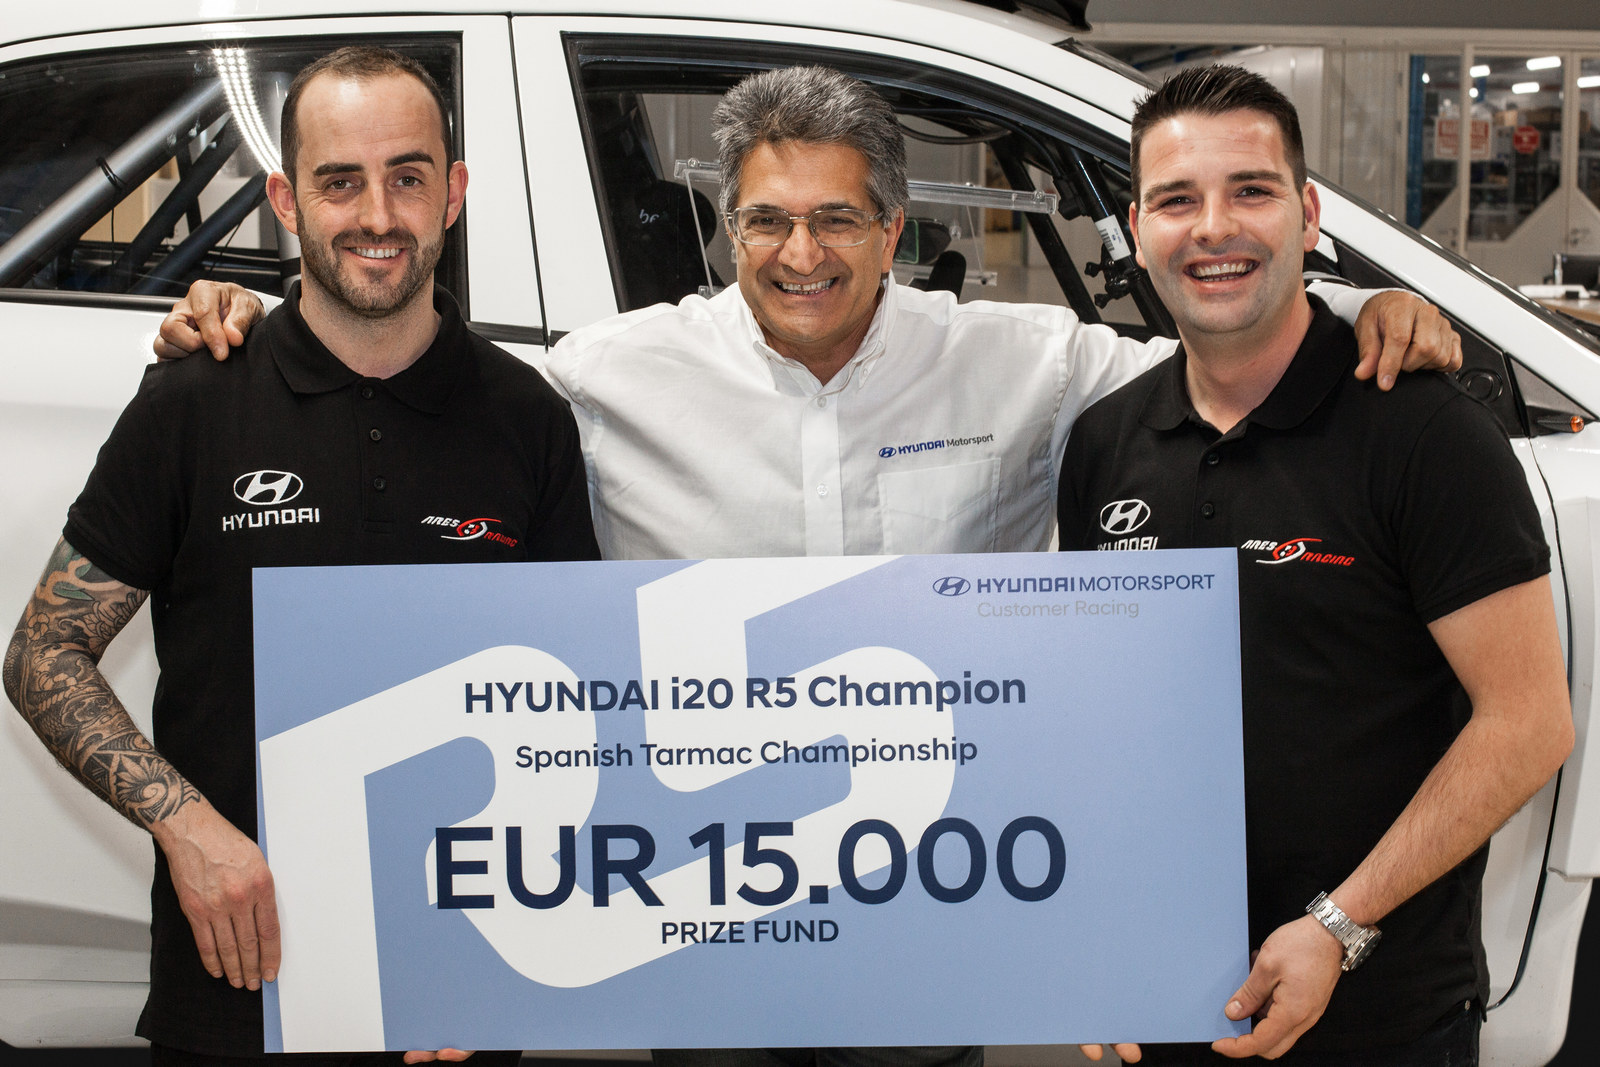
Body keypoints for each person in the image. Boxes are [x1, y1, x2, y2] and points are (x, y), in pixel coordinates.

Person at [153, 65, 1459, 1067]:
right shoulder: (610, 375)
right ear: (726, 229)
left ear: (895, 227)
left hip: (928, 907)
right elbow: (418, 372)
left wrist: (1368, 312)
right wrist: (251, 321)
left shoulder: (1028, 364)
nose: (801, 253)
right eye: (767, 220)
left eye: (838, 217)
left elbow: (1226, 346)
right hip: (698, 917)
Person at [3, 45, 598, 1067]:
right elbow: (43, 650)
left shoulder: (526, 418)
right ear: (286, 199)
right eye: (340, 181)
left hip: (453, 990)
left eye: (408, 176)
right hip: (236, 989)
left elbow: (578, 700)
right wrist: (189, 830)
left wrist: (505, 952)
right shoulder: (195, 401)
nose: (378, 215)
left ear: (454, 193)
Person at [1057, 65, 1573, 1065]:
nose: (1213, 227)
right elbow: (1103, 724)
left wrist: (1339, 923)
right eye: (1177, 199)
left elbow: (1527, 722)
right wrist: (1101, 938)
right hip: (1171, 1003)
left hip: (1382, 1014)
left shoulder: (1424, 433)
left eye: (1250, 190)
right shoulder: (1106, 443)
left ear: (1307, 214)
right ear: (1137, 227)